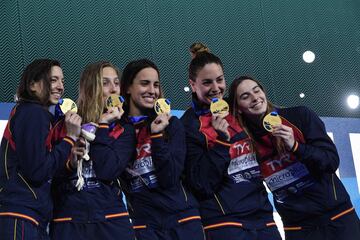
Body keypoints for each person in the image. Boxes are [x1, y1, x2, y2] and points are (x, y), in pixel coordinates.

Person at [228, 75, 360, 240]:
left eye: (257, 91)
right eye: (245, 96)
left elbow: (330, 161)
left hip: (337, 218)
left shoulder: (298, 116)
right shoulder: (244, 145)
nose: (255, 98)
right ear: (238, 108)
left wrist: (296, 146)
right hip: (297, 228)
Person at [181, 52, 281, 240]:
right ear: (193, 85)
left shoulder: (237, 108)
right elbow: (201, 184)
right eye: (207, 82)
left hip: (264, 219)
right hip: (225, 224)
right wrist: (221, 142)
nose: (216, 88)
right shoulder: (188, 125)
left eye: (219, 80)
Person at [49, 61, 136, 240]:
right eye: (105, 83)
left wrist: (102, 125)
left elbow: (108, 170)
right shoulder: (64, 125)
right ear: (90, 88)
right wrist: (70, 163)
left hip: (111, 222)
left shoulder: (123, 128)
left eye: (116, 82)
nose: (113, 89)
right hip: (69, 221)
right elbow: (48, 174)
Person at [120, 59, 205, 240]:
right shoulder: (117, 130)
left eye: (156, 85)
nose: (152, 90)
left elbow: (170, 177)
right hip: (145, 225)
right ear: (127, 87)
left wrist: (157, 137)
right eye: (145, 83)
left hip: (182, 220)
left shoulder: (172, 125)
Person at [0, 59, 81, 239]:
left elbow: (40, 165)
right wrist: (70, 138)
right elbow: (37, 171)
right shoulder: (33, 113)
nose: (60, 86)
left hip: (28, 215)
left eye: (62, 81)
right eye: (53, 80)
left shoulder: (33, 114)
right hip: (20, 215)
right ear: (33, 85)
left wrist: (69, 162)